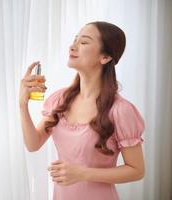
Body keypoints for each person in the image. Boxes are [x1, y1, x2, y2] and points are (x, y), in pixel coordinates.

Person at [19, 21, 145, 200]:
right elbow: (33, 144)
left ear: (106, 57)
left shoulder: (120, 110)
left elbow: (137, 170)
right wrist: (22, 105)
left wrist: (83, 174)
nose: (73, 46)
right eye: (75, 40)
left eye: (84, 42)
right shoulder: (60, 100)